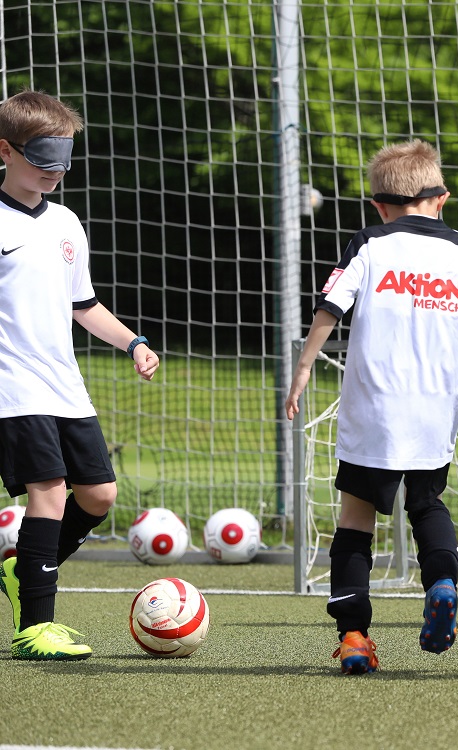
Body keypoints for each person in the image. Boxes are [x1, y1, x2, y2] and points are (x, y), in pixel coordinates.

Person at [285, 139, 458, 674]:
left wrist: (304, 367)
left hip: (374, 408)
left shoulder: (370, 243)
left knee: (356, 520)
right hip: (436, 408)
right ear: (441, 199)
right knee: (427, 504)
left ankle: (354, 636)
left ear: (379, 206)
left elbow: (329, 307)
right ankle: (443, 584)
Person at [0, 90, 160, 661]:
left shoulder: (66, 222)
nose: (56, 172)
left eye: (64, 160)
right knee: (47, 491)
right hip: (13, 386)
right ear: (5, 151)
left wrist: (134, 342)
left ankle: (22, 570)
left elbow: (83, 305)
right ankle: (35, 626)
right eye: (43, 160)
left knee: (98, 495)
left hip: (64, 384)